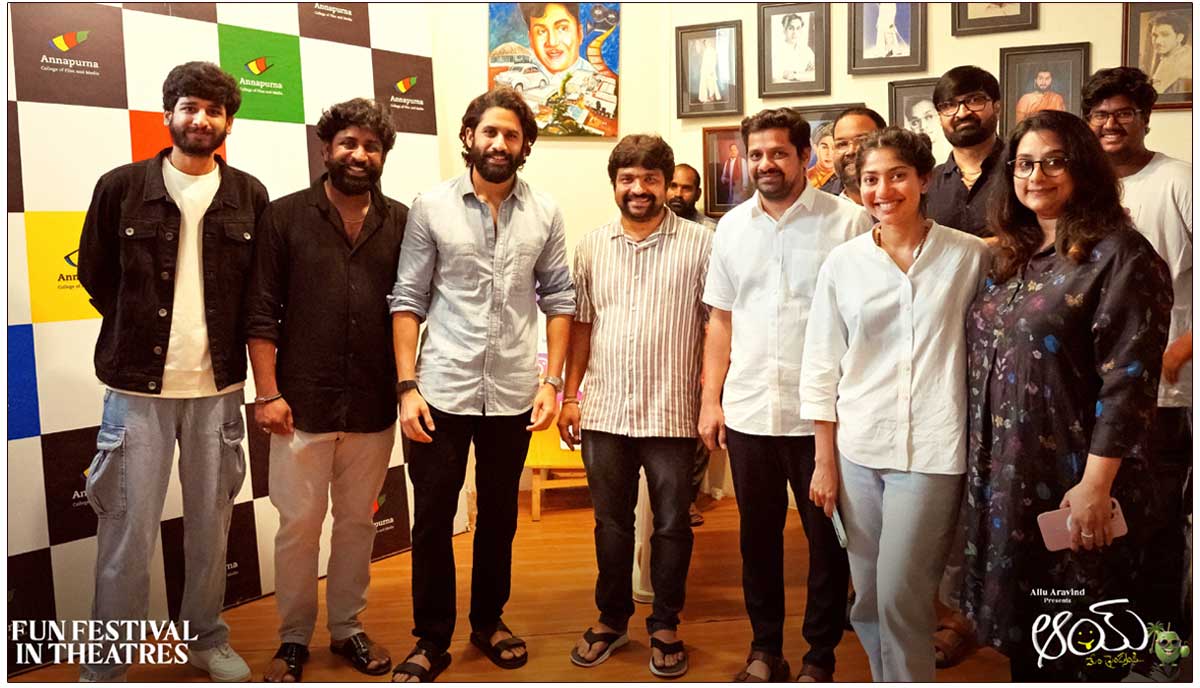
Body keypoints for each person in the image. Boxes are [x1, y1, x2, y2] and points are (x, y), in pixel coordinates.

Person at [960, 110, 1173, 681]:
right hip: (1008, 480)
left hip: (1077, 478)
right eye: (1025, 163)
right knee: (1032, 640)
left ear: (1083, 167)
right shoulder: (1014, 255)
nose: (1037, 175)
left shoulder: (1121, 254)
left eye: (1054, 161)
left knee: (1081, 641)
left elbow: (1129, 382)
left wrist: (1095, 486)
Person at [75, 61, 268, 683]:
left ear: (228, 123)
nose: (201, 119)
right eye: (189, 107)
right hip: (136, 389)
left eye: (214, 110)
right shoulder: (120, 187)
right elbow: (95, 274)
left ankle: (205, 638)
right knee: (126, 530)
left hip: (219, 390)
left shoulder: (249, 195)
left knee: (212, 527)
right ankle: (109, 658)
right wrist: (139, 333)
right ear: (168, 114)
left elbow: (260, 292)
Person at [388, 86, 575, 682]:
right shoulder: (430, 206)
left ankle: (489, 621)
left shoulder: (545, 212)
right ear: (469, 136)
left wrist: (552, 382)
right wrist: (407, 386)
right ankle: (431, 638)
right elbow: (408, 298)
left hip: (514, 392)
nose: (499, 143)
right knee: (432, 519)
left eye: (511, 135)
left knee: (499, 517)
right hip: (439, 390)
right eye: (489, 131)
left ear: (525, 146)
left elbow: (560, 299)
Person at [799, 127, 990, 682]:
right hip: (858, 447)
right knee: (867, 595)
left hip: (933, 448)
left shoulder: (968, 256)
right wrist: (824, 461)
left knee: (902, 593)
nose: (883, 191)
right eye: (870, 179)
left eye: (897, 176)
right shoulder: (843, 264)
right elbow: (822, 363)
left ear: (924, 179)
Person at [699, 107, 871, 683]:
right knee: (757, 540)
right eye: (756, 154)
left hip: (822, 417)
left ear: (805, 156)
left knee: (828, 541)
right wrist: (711, 400)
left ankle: (820, 655)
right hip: (749, 411)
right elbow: (721, 319)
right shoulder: (730, 227)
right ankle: (765, 648)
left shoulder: (848, 222)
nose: (765, 163)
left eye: (778, 152)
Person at [245, 98, 407, 683]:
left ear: (383, 155)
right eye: (348, 143)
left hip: (372, 404)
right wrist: (268, 393)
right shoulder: (284, 216)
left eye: (371, 146)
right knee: (298, 529)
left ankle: (347, 628)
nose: (359, 154)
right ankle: (292, 638)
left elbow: (413, 310)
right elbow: (260, 311)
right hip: (300, 406)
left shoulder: (403, 221)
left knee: (358, 525)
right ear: (326, 149)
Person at [559, 134, 712, 679]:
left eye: (650, 178)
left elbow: (717, 326)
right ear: (615, 184)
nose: (639, 188)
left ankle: (665, 624)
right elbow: (581, 326)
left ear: (666, 184)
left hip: (673, 411)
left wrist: (711, 400)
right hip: (604, 411)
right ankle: (611, 619)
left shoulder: (703, 245)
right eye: (628, 178)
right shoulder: (590, 246)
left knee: (671, 525)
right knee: (610, 524)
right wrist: (570, 396)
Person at [1082, 66, 1192, 656]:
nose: (1110, 123)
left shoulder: (1178, 180)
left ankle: (1163, 647)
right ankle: (1109, 640)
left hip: (1167, 392)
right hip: (1099, 394)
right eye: (1100, 114)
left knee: (1159, 523)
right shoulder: (1084, 189)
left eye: (1123, 112)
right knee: (1106, 521)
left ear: (1146, 118)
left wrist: (1181, 347)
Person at [927, 65, 1006, 239]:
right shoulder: (927, 183)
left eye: (975, 100)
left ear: (997, 107)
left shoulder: (1023, 171)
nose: (962, 113)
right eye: (949, 105)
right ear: (940, 117)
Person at [520, 3, 595, 95]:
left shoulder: (594, 78)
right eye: (541, 31)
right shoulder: (524, 75)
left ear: (579, 34)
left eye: (562, 28)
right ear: (531, 39)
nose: (552, 42)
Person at [829, 106, 886, 206]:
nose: (851, 151)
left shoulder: (908, 202)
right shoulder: (819, 206)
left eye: (862, 141)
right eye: (842, 144)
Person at [1149, 13, 1192, 95]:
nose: (1158, 41)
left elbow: (1153, 94)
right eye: (1154, 35)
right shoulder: (1168, 55)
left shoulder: (1184, 59)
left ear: (1179, 37)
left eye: (1165, 35)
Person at [667, 163, 718, 230]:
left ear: (698, 194)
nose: (678, 194)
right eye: (673, 186)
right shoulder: (654, 225)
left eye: (686, 188)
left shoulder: (710, 229)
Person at [774, 13, 815, 82]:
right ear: (784, 30)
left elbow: (816, 75)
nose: (795, 32)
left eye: (798, 28)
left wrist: (795, 75)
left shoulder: (806, 50)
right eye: (790, 28)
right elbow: (775, 80)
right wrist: (804, 75)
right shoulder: (776, 50)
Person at [807, 123, 837, 190]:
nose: (829, 153)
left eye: (834, 148)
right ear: (815, 148)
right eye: (824, 147)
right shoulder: (804, 177)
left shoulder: (844, 179)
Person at [697, 38, 722, 103]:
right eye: (704, 43)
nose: (705, 44)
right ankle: (705, 97)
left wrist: (712, 70)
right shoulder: (706, 51)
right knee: (704, 83)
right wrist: (702, 69)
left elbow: (714, 61)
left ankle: (712, 96)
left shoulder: (712, 51)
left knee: (711, 83)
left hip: (710, 69)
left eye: (706, 42)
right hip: (704, 69)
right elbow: (704, 62)